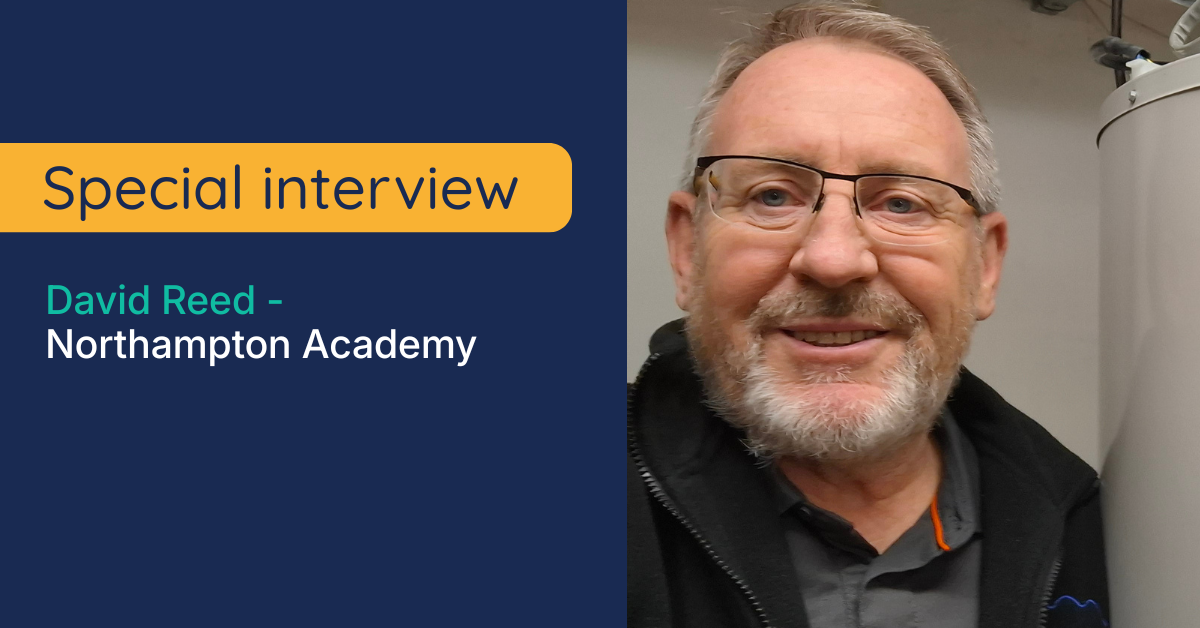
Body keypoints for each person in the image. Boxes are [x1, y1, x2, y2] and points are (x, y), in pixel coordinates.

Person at [627, 3, 1109, 627]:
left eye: (902, 203)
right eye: (772, 196)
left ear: (985, 266)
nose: (833, 259)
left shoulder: (1106, 541)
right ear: (687, 250)